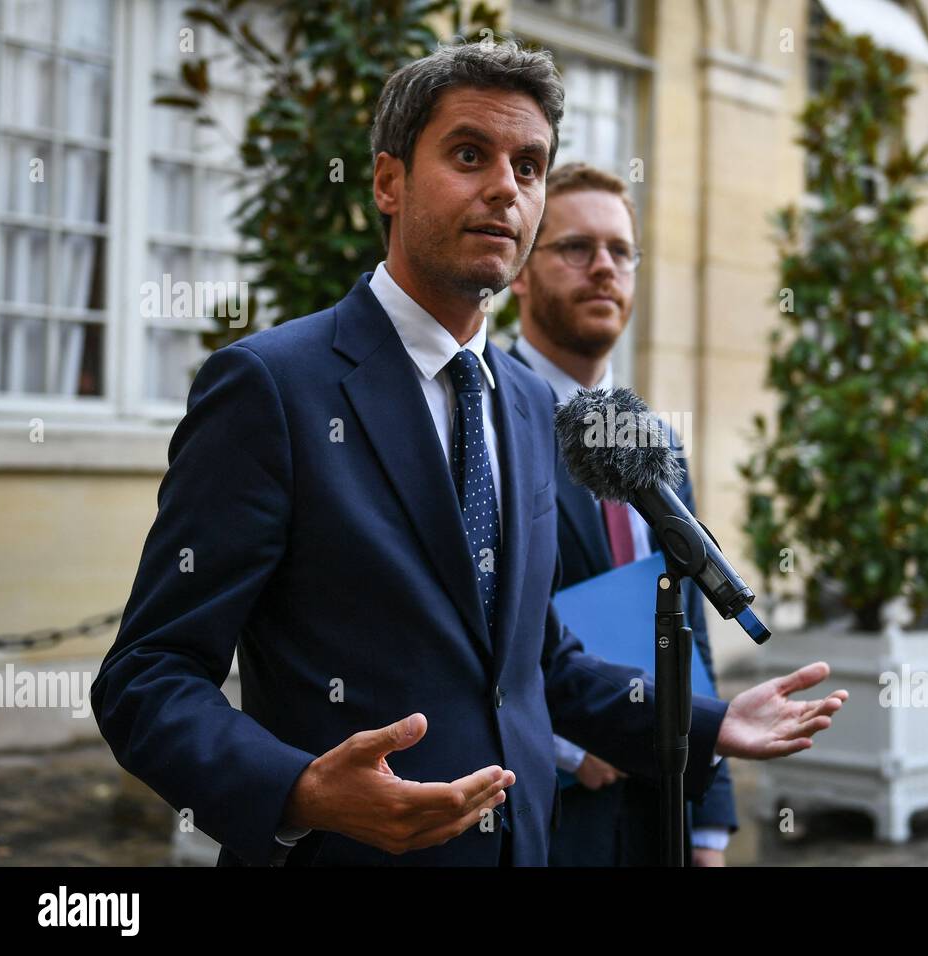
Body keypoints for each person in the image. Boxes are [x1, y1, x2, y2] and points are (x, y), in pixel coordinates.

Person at [91, 40, 847, 867]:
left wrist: (710, 724)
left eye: (529, 166)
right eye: (467, 154)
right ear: (388, 181)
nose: (504, 188)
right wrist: (300, 791)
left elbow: (537, 664)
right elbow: (147, 677)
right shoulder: (273, 387)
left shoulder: (524, 403)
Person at [509, 162, 736, 866]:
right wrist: (574, 743)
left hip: (657, 806)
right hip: (540, 808)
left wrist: (710, 822)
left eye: (621, 252)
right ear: (518, 271)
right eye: (576, 248)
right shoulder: (482, 418)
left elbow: (689, 625)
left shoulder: (655, 440)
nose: (603, 268)